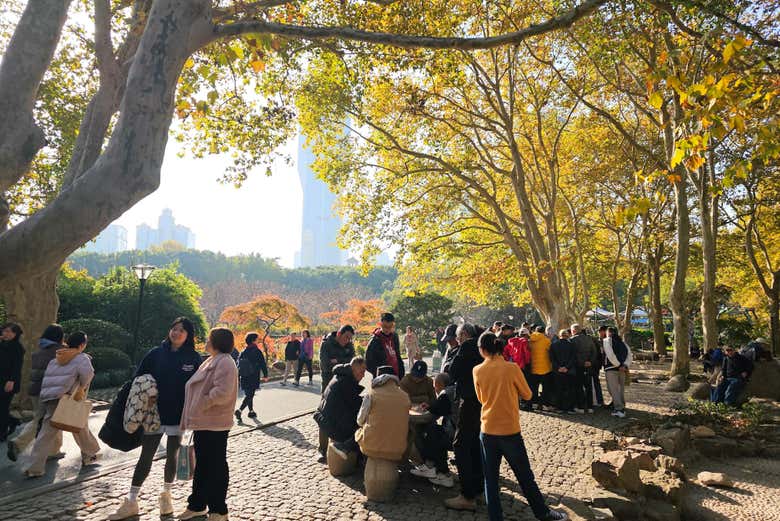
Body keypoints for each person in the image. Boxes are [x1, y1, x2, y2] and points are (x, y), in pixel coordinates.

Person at [110, 317, 202, 520]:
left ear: (188, 335)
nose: (176, 333)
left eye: (181, 330)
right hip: (154, 414)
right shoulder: (155, 353)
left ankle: (166, 496)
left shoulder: (193, 358)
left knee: (172, 456)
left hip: (178, 415)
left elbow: (198, 386)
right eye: (174, 329)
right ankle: (132, 500)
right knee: (146, 456)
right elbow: (138, 378)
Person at [473, 331, 568, 521]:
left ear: (482, 349)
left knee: (490, 479)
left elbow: (481, 398)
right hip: (509, 430)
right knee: (525, 476)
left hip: (487, 429)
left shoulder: (477, 370)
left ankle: (495, 517)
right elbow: (528, 395)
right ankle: (543, 513)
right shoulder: (512, 368)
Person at [177, 328, 238, 521]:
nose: (206, 341)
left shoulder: (225, 362)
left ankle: (219, 510)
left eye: (209, 338)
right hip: (205, 422)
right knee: (203, 465)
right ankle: (197, 504)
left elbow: (222, 392)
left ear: (217, 341)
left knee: (215, 467)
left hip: (214, 423)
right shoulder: (213, 360)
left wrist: (201, 403)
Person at [24, 331, 100, 478]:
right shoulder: (82, 358)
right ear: (82, 345)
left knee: (45, 434)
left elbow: (48, 379)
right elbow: (88, 375)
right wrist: (81, 388)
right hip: (68, 400)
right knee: (79, 427)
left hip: (50, 399)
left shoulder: (56, 358)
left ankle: (34, 467)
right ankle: (89, 455)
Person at [7, 324, 65, 461]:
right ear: (59, 337)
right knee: (49, 420)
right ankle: (18, 443)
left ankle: (53, 450)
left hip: (35, 391)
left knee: (44, 419)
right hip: (51, 392)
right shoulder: (60, 352)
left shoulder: (39, 350)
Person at [444, 324, 483, 511]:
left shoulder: (467, 347)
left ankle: (467, 495)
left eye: (458, 337)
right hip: (482, 400)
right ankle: (477, 486)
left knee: (460, 444)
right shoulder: (482, 346)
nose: (457, 340)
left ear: (465, 334)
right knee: (475, 442)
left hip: (469, 399)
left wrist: (456, 351)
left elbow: (452, 373)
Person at [349, 365, 410, 462]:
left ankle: (358, 460)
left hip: (371, 447)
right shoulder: (405, 396)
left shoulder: (371, 394)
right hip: (398, 449)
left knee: (358, 431)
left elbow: (360, 421)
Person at [314, 357, 366, 459]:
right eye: (362, 371)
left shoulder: (340, 375)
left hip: (323, 418)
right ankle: (350, 452)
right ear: (354, 368)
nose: (363, 375)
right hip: (331, 425)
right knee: (364, 427)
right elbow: (357, 409)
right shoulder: (347, 382)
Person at [410, 372, 456, 487]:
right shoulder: (453, 390)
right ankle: (436, 468)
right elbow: (437, 408)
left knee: (428, 430)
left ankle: (434, 468)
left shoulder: (445, 394)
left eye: (435, 385)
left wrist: (408, 415)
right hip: (461, 433)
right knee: (435, 431)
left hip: (454, 436)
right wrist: (430, 407)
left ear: (439, 384)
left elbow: (429, 416)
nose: (434, 388)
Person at [235, 332, 268, 420]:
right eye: (257, 339)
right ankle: (239, 410)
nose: (258, 340)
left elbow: (238, 365)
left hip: (243, 376)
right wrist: (265, 375)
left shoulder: (243, 351)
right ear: (253, 341)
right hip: (253, 376)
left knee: (248, 394)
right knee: (250, 395)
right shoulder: (257, 351)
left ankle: (251, 411)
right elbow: (263, 364)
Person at [0, 323, 24, 442]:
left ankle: (2, 434)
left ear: (16, 334)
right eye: (5, 331)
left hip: (9, 381)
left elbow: (17, 366)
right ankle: (13, 421)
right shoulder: (2, 344)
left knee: (3, 408)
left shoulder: (17, 347)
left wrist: (11, 381)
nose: (6, 334)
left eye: (10, 332)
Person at [603, 327, 632, 418]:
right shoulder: (623, 343)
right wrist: (625, 365)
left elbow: (610, 354)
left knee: (613, 389)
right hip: (622, 369)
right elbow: (629, 355)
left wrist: (618, 365)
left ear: (608, 333)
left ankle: (619, 409)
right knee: (620, 389)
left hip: (612, 368)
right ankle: (622, 405)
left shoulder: (607, 340)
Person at [570, 324, 599, 414]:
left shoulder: (572, 340)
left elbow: (573, 354)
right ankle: (590, 407)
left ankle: (581, 406)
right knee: (588, 386)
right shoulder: (589, 339)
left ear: (574, 331)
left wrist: (582, 362)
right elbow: (594, 351)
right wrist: (590, 361)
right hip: (589, 366)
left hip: (578, 367)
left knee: (578, 387)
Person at [366, 312, 405, 379]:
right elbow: (368, 363)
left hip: (396, 376)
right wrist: (379, 375)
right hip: (382, 378)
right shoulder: (375, 340)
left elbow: (397, 356)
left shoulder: (395, 337)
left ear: (393, 325)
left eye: (390, 327)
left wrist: (401, 372)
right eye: (385, 326)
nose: (387, 329)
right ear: (380, 324)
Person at [319, 325, 356, 392]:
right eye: (346, 337)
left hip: (345, 380)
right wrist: (345, 364)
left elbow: (353, 361)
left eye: (350, 338)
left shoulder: (349, 345)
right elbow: (325, 365)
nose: (347, 340)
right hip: (328, 380)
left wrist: (338, 360)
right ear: (339, 334)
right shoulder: (326, 343)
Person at [550, 330, 577, 413]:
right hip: (569, 370)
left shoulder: (553, 345)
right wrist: (567, 367)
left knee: (559, 389)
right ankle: (569, 408)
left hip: (557, 371)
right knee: (570, 389)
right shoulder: (572, 345)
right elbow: (573, 358)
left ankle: (559, 407)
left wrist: (558, 367)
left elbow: (551, 358)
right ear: (567, 335)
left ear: (559, 335)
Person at [528, 325, 554, 411]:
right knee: (545, 388)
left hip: (533, 367)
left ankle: (534, 403)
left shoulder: (530, 340)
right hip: (545, 367)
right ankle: (544, 404)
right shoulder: (546, 341)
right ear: (543, 332)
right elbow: (551, 351)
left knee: (534, 387)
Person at [593, 326, 608, 407]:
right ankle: (599, 400)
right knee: (596, 382)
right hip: (597, 365)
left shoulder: (608, 341)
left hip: (608, 365)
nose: (599, 333)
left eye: (601, 331)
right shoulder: (597, 341)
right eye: (599, 331)